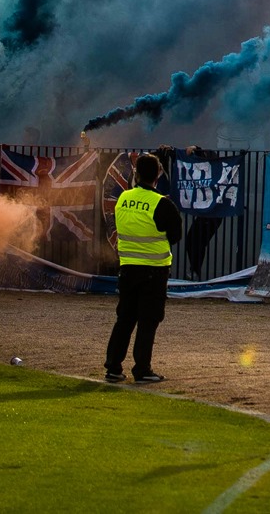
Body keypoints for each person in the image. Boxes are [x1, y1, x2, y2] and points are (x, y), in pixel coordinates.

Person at [105, 151, 181, 384]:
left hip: (128, 268)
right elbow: (175, 235)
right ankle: (142, 369)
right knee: (148, 321)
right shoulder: (162, 203)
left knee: (124, 319)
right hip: (154, 271)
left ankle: (113, 368)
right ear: (158, 174)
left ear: (136, 174)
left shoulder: (122, 200)